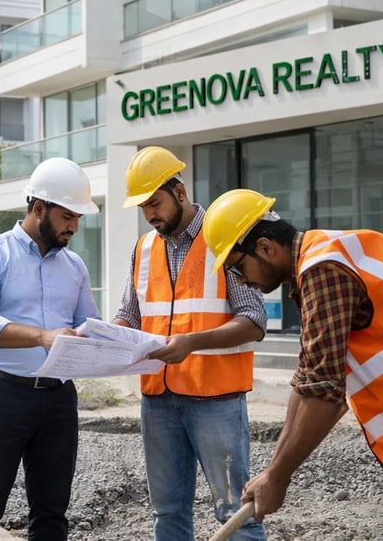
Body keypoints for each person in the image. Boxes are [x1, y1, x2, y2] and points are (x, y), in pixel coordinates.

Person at [202, 188, 383, 541]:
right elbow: (307, 382)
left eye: (237, 267)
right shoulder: (325, 257)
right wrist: (270, 471)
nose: (241, 281)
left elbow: (325, 392)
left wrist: (278, 477)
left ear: (265, 247)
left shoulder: (323, 270)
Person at [113, 147, 267, 541]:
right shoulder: (143, 249)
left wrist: (192, 342)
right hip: (158, 399)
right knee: (167, 514)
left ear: (179, 192)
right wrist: (108, 336)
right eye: (143, 207)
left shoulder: (222, 236)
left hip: (216, 397)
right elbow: (130, 312)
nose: (149, 214)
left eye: (155, 203)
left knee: (237, 516)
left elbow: (254, 319)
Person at [0, 157, 101, 541]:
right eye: (68, 216)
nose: (74, 226)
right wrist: (42, 336)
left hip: (58, 400)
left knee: (52, 514)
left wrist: (117, 343)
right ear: (39, 208)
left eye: (78, 218)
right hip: (1, 395)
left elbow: (88, 325)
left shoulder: (75, 267)